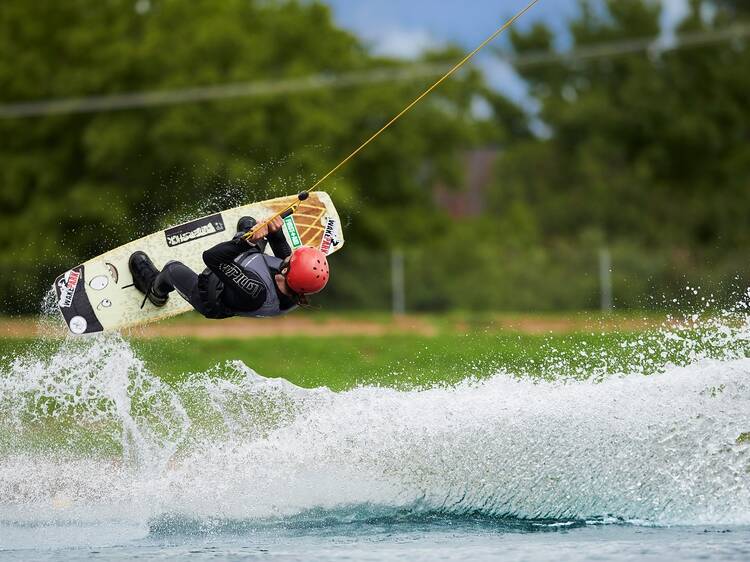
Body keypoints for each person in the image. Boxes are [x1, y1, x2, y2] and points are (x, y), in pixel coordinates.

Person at [128, 216, 329, 319]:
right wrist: (275, 233)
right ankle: (245, 238)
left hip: (210, 294)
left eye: (293, 259)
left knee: (172, 269)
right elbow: (284, 257)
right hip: (244, 273)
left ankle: (155, 291)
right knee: (250, 231)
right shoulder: (295, 286)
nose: (290, 255)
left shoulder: (255, 290)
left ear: (286, 272)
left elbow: (211, 258)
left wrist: (246, 242)